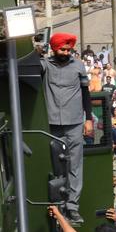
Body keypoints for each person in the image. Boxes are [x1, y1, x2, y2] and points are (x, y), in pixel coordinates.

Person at [38, 32, 92, 222]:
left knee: (75, 165)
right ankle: (58, 205)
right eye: (63, 49)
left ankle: (72, 206)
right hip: (51, 123)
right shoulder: (44, 65)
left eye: (69, 49)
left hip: (75, 122)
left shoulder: (78, 66)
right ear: (54, 48)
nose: (66, 52)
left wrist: (88, 119)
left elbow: (86, 93)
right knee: (55, 165)